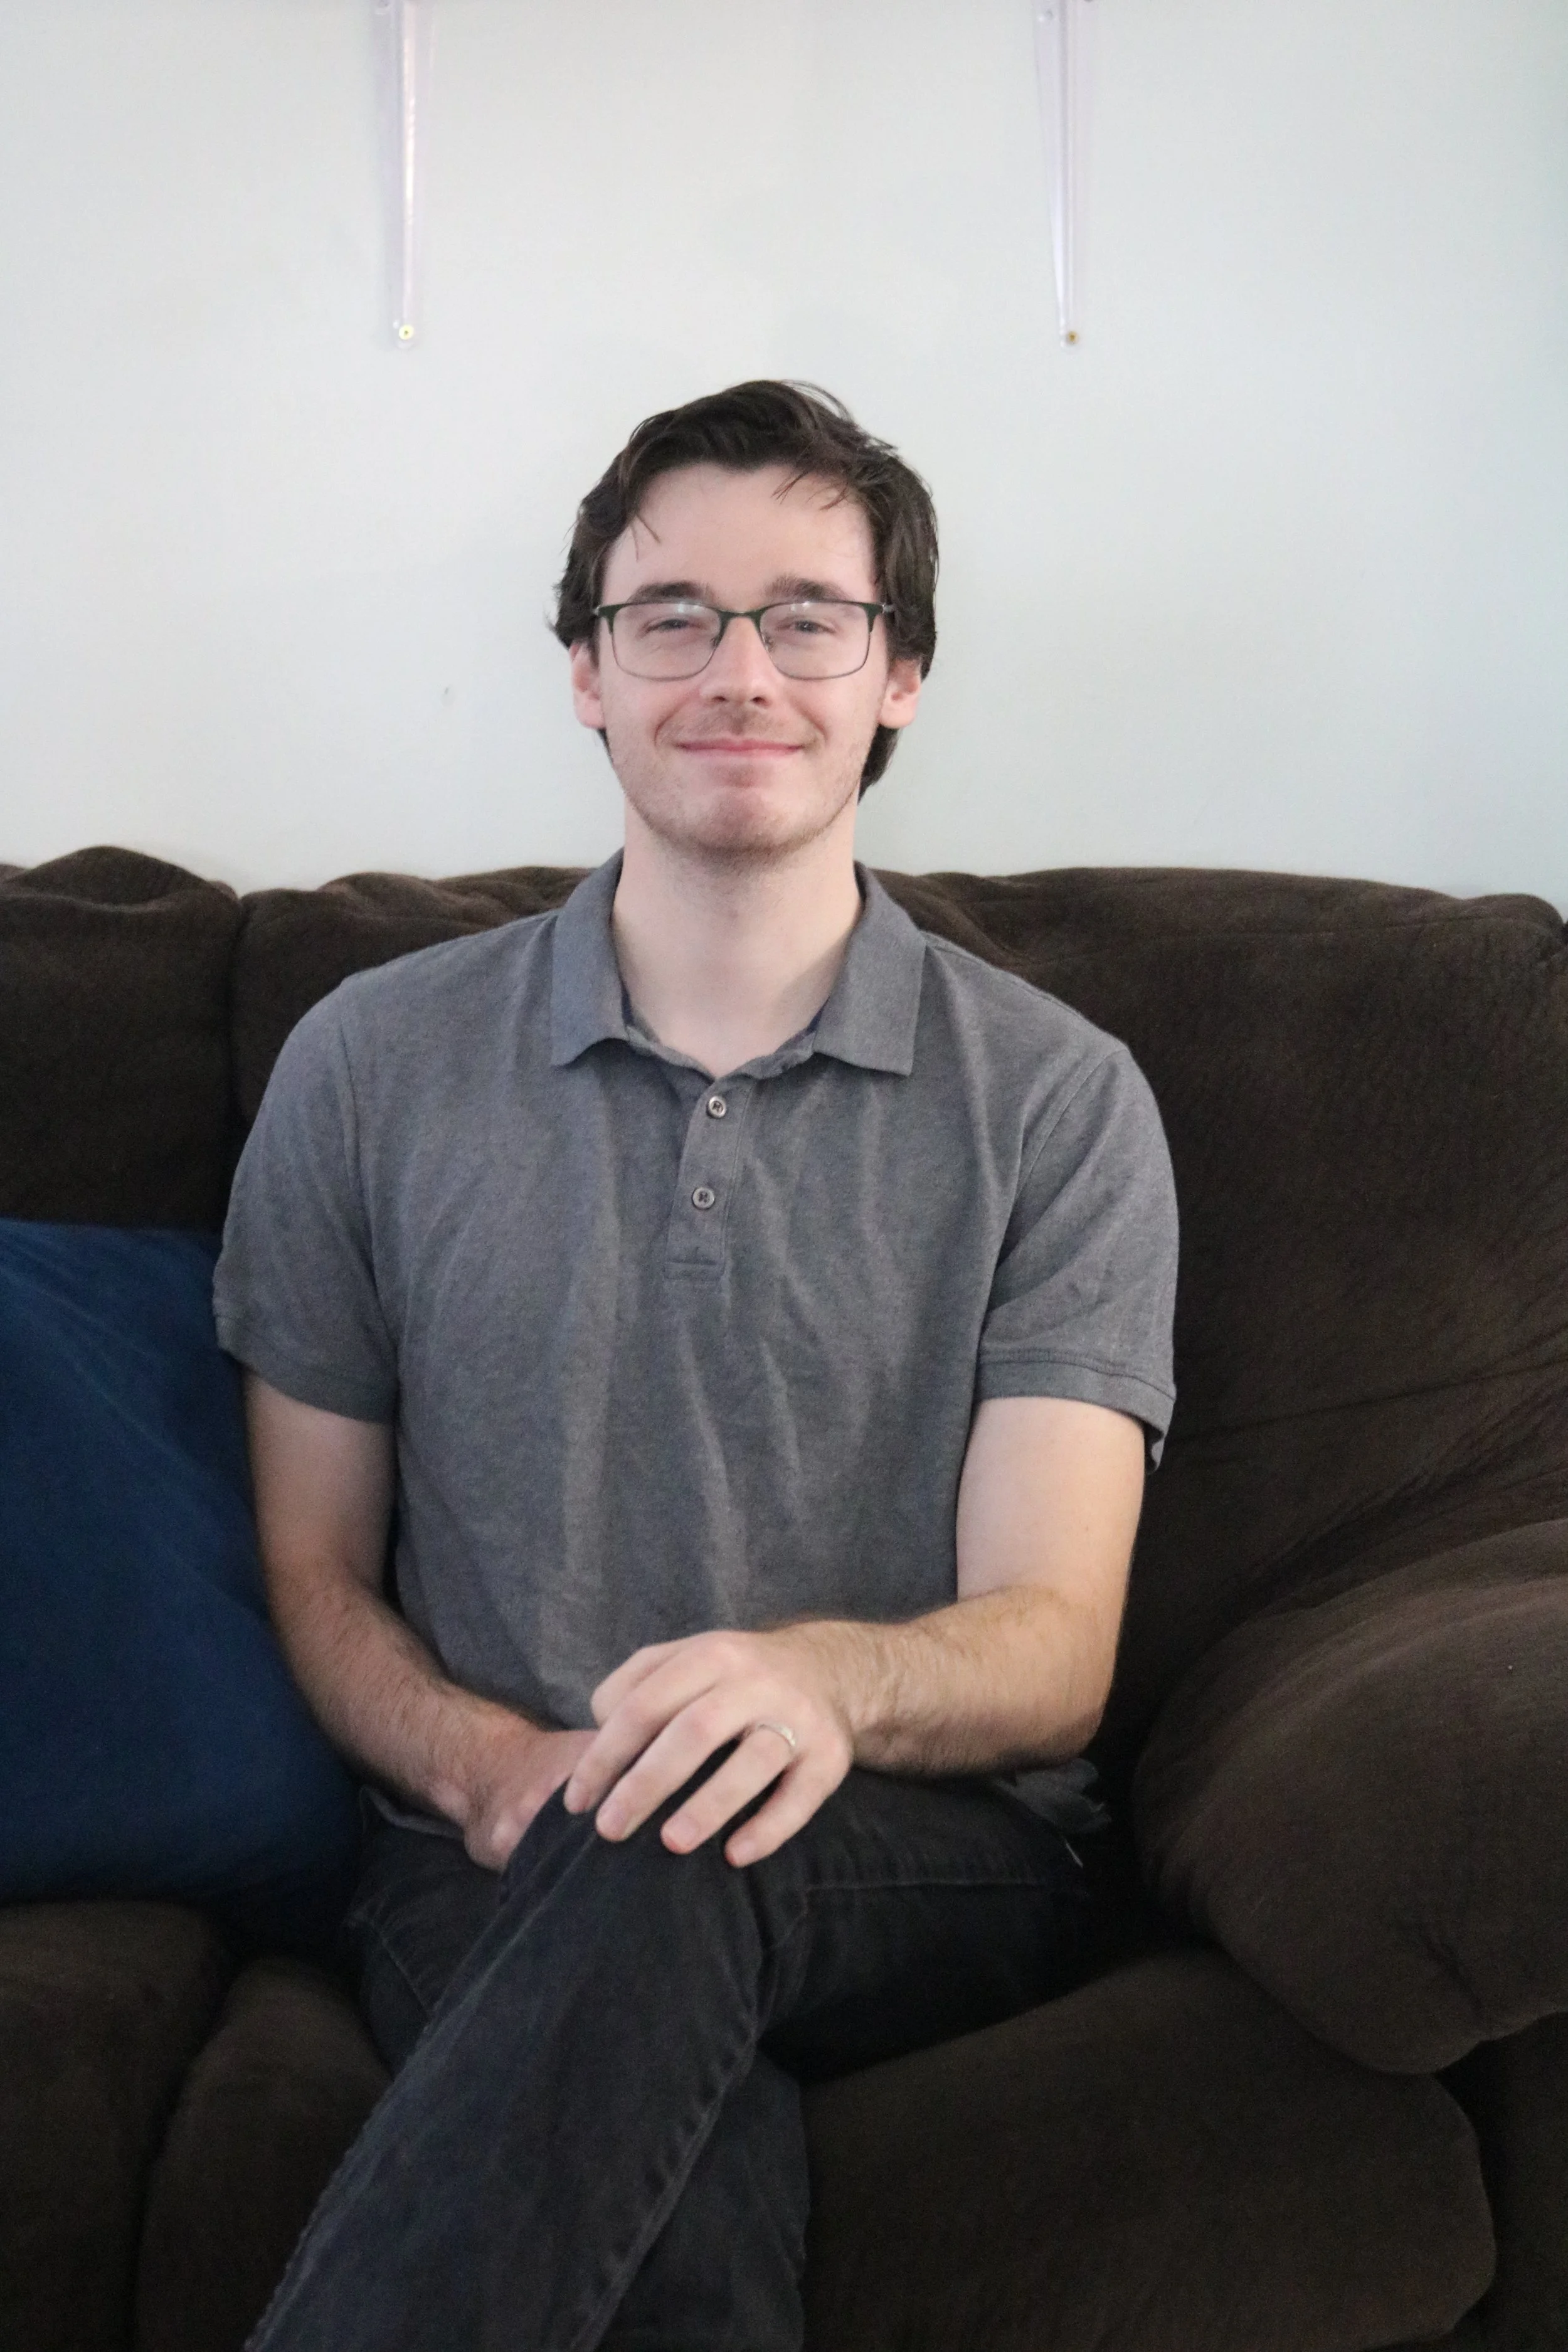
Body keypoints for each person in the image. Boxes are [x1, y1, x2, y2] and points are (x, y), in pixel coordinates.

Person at [215, 379, 1178, 2352]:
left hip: (929, 1845)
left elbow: (1055, 1639)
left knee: (669, 1848)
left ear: (898, 673)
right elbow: (312, 1571)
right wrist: (494, 1770)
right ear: (584, 672)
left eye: (807, 614)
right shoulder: (367, 1065)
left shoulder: (1061, 1102)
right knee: (679, 2193)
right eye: (671, 616)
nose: (739, 670)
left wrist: (809, 1679)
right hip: (492, 1835)